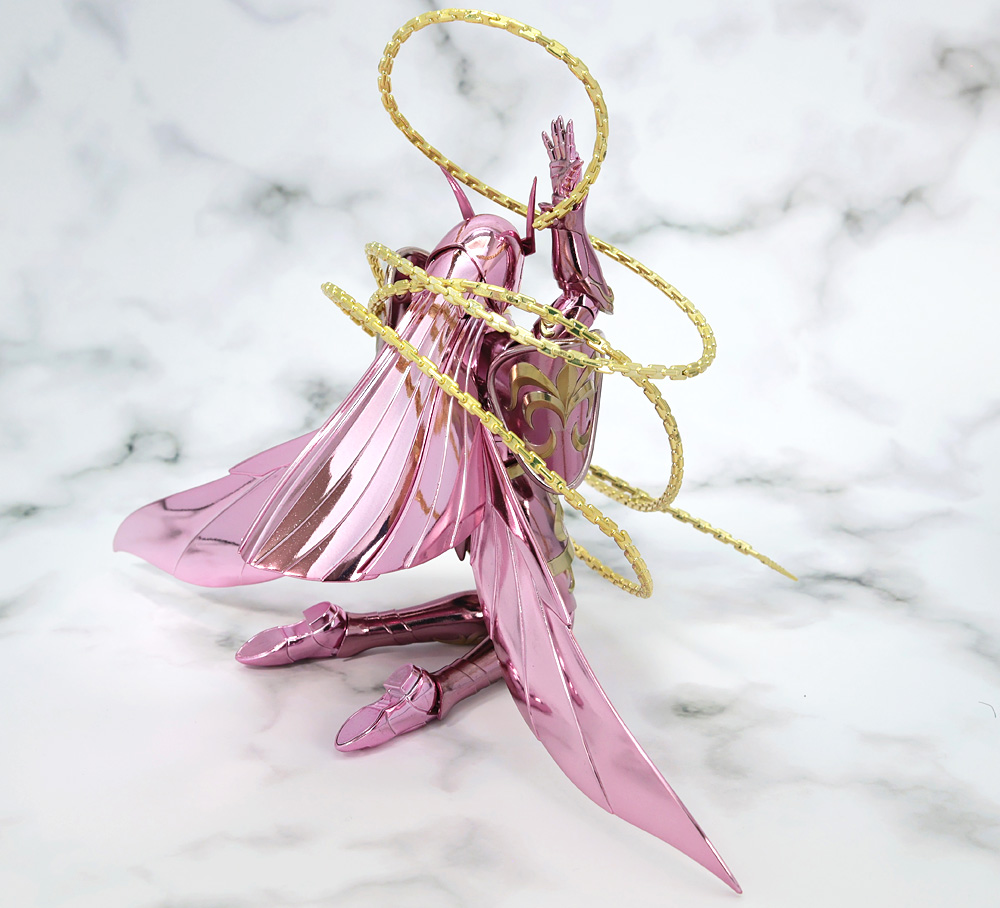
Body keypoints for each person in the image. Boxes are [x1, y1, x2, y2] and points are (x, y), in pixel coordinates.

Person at [115, 118, 741, 892]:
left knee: (519, 620)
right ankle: (387, 661)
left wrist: (567, 213)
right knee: (523, 619)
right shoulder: (443, 350)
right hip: (479, 496)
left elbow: (578, 301)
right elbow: (579, 300)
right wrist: (564, 216)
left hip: (495, 501)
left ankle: (379, 653)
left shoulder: (470, 350)